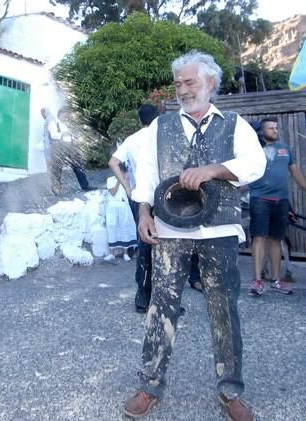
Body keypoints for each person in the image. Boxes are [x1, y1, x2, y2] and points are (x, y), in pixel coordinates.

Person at [125, 51, 265, 421]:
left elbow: (255, 164)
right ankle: (150, 385)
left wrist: (213, 170)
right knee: (161, 306)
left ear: (210, 84)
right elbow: (147, 173)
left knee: (224, 309)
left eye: (190, 82)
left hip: (219, 229)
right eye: (178, 83)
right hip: (170, 228)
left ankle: (230, 391)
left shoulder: (235, 124)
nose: (183, 89)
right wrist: (143, 212)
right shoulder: (162, 126)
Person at [248, 117, 306, 296]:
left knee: (276, 240)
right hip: (260, 199)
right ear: (262, 131)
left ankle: (275, 280)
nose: (275, 130)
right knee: (259, 238)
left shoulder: (286, 149)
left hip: (281, 201)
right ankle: (258, 280)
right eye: (271, 128)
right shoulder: (254, 150)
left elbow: (296, 173)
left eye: (276, 128)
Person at [109, 104, 158, 311]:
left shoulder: (132, 139)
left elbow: (113, 162)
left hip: (138, 197)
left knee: (144, 243)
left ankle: (142, 296)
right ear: (158, 118)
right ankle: (161, 299)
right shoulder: (162, 136)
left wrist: (128, 187)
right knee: (165, 245)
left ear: (140, 120)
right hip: (162, 196)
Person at [41, 107, 89, 194]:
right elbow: (53, 135)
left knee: (78, 165)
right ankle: (56, 189)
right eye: (64, 115)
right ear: (59, 115)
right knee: (57, 168)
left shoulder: (67, 125)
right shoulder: (53, 123)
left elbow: (72, 135)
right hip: (59, 147)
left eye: (67, 115)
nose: (66, 117)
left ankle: (85, 185)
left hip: (70, 146)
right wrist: (64, 133)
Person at [103, 165, 137, 262]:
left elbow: (130, 193)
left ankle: (125, 253)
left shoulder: (127, 180)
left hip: (123, 206)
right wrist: (119, 180)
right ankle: (112, 253)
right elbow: (113, 192)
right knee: (112, 227)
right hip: (112, 206)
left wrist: (127, 182)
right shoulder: (110, 180)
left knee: (125, 227)